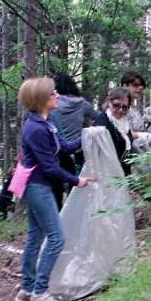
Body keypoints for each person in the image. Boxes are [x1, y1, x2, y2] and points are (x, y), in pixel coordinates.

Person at [14, 77, 95, 301]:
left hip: (40, 186)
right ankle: (40, 292)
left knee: (35, 237)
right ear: (41, 99)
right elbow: (50, 166)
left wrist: (89, 134)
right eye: (52, 94)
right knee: (56, 238)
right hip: (38, 188)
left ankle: (26, 291)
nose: (57, 96)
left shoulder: (45, 122)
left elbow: (66, 148)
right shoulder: (36, 128)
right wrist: (76, 180)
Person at [50, 72, 98, 209]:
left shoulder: (52, 105)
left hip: (58, 151)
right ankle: (76, 216)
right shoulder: (82, 104)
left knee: (56, 189)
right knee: (77, 186)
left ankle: (58, 218)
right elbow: (99, 118)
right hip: (79, 150)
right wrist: (88, 133)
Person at [94, 87, 136, 176]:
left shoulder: (123, 122)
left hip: (123, 174)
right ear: (109, 103)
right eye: (116, 105)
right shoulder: (103, 123)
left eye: (124, 107)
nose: (120, 110)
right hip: (108, 175)